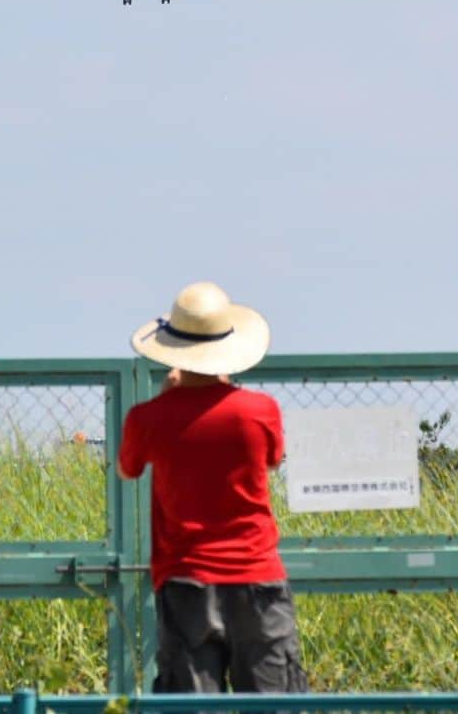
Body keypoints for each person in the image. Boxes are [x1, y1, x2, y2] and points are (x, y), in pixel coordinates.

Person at [117, 280, 308, 694]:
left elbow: (127, 469)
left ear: (174, 351)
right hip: (257, 575)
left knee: (190, 703)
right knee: (273, 702)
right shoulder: (260, 412)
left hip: (185, 577)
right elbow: (272, 460)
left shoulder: (147, 418)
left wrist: (171, 397)